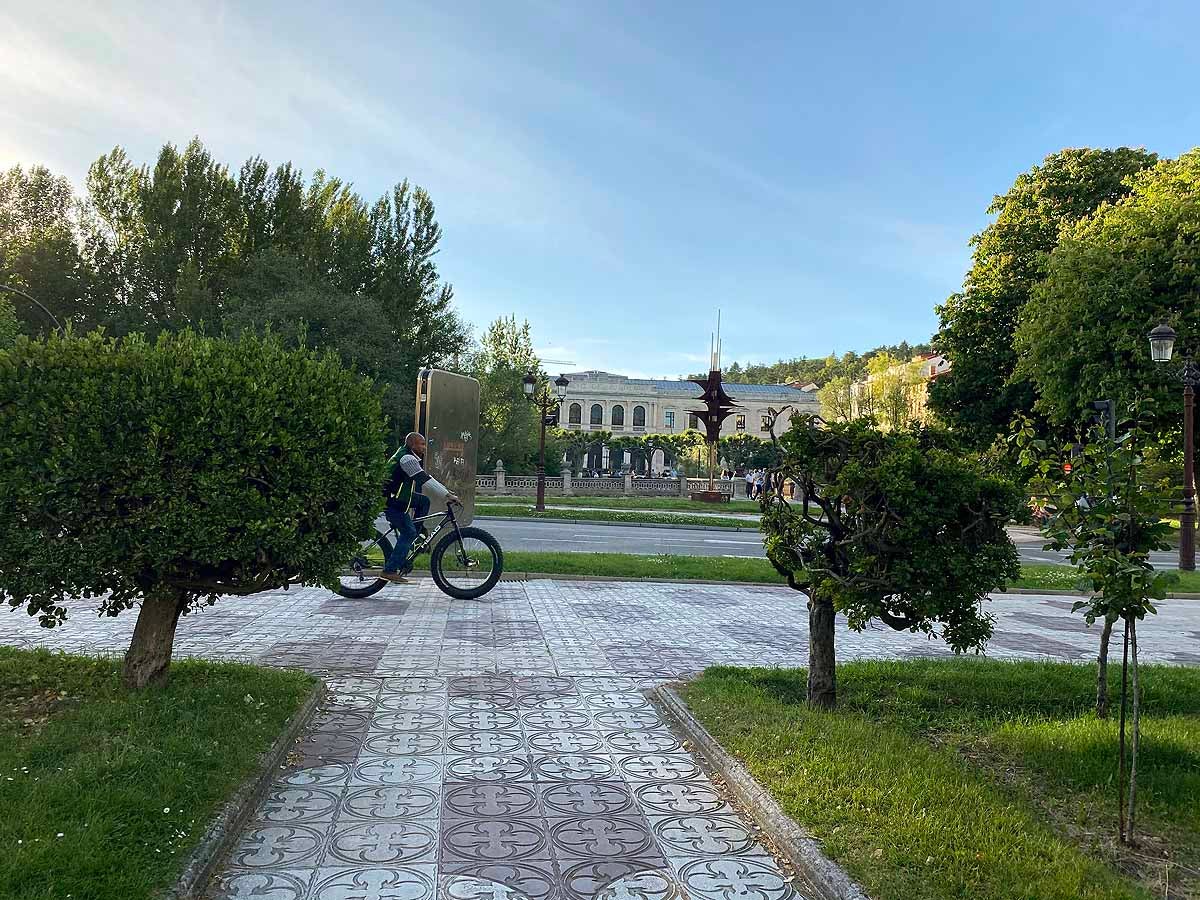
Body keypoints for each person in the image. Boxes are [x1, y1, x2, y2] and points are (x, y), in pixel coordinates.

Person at [380, 432, 458, 584]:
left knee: (423, 501)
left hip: (398, 497)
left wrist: (447, 492)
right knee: (408, 532)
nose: (424, 447)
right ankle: (389, 571)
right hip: (392, 502)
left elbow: (427, 477)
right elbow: (425, 479)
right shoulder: (407, 458)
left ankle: (416, 534)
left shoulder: (406, 455)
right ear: (412, 444)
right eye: (421, 444)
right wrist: (448, 495)